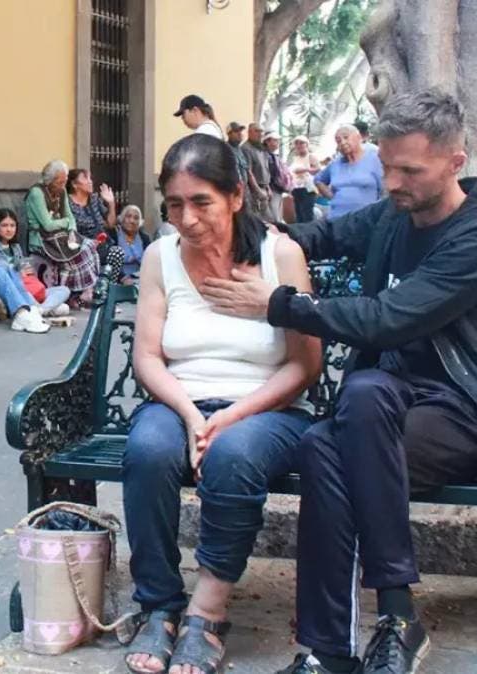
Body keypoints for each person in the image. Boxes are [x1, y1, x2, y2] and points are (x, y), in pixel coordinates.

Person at [197, 89, 477, 674]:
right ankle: (386, 624)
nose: (391, 182)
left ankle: (334, 647)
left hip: (472, 412)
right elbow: (322, 235)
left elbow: (389, 319)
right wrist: (229, 225)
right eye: (386, 166)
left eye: (409, 170)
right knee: (356, 406)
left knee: (324, 445)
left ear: (455, 163)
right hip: (383, 405)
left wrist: (281, 303)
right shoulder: (396, 211)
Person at [122, 133, 320, 674]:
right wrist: (190, 414)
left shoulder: (279, 255)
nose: (186, 219)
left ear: (235, 196)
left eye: (201, 201)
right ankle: (159, 604)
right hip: (180, 399)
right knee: (148, 449)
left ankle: (206, 615)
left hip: (267, 409)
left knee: (233, 455)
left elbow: (304, 365)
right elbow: (148, 357)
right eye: (175, 205)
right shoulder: (161, 257)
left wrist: (231, 416)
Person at [25, 160, 101, 308]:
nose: (62, 186)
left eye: (64, 181)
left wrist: (72, 230)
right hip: (42, 239)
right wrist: (65, 222)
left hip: (60, 235)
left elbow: (70, 216)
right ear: (50, 180)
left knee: (89, 245)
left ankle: (86, 291)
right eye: (59, 182)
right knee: (78, 253)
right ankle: (72, 294)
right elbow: (47, 225)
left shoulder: (62, 191)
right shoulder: (37, 193)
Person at [0, 207, 71, 314]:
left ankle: (40, 310)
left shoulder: (16, 248)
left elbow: (25, 271)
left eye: (12, 225)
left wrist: (28, 271)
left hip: (30, 288)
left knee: (64, 290)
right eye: (4, 225)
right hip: (14, 292)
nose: (9, 229)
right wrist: (18, 273)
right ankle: (47, 309)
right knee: (62, 308)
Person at [314, 124, 383, 218]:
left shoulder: (374, 159)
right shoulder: (335, 164)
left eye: (346, 137)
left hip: (367, 221)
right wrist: (332, 196)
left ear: (359, 137)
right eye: (338, 141)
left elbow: (385, 192)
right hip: (337, 220)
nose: (342, 143)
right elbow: (318, 180)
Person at [242, 123, 274, 221]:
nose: (260, 134)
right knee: (261, 222)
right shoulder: (246, 148)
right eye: (257, 131)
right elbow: (248, 172)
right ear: (249, 132)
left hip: (264, 189)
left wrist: (268, 188)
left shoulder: (261, 149)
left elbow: (266, 170)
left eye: (261, 131)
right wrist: (258, 191)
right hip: (254, 192)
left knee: (270, 222)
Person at [288, 135, 321, 224]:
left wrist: (305, 170)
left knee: (307, 214)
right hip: (296, 188)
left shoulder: (311, 157)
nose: (299, 145)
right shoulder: (295, 158)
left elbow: (318, 170)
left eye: (301, 143)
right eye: (297, 143)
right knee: (299, 214)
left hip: (308, 189)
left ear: (306, 145)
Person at [115, 204, 148, 284]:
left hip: (142, 278)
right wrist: (123, 278)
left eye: (136, 218)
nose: (132, 221)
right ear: (122, 219)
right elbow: (111, 264)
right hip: (119, 279)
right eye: (128, 216)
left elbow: (150, 261)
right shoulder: (114, 236)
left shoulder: (144, 238)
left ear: (139, 222)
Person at [264, 132, 291, 223]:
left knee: (278, 216)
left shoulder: (274, 156)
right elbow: (271, 174)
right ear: (267, 141)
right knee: (274, 217)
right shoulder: (265, 156)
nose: (277, 143)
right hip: (272, 190)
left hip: (278, 190)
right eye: (275, 140)